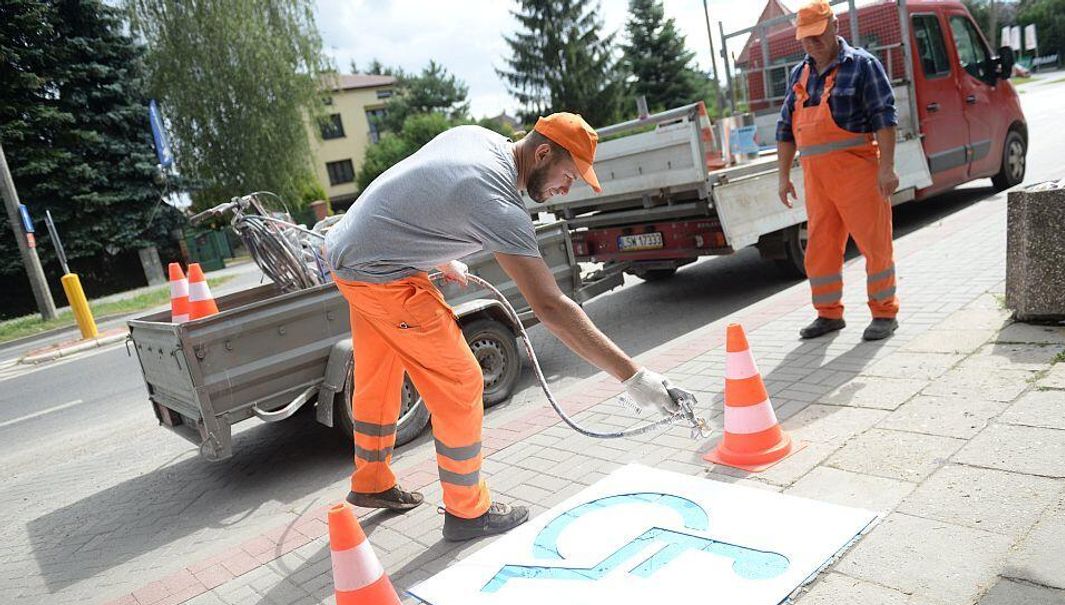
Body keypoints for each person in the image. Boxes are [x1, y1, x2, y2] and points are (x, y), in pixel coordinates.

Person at [324, 113, 691, 542]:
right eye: (567, 175)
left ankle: (372, 482)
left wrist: (439, 256)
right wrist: (635, 376)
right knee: (461, 383)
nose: (565, 189)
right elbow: (552, 308)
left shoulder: (479, 140)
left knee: (378, 372)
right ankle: (467, 512)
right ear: (541, 153)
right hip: (381, 274)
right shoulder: (497, 202)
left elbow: (420, 192)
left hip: (350, 256)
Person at [774, 0, 900, 341]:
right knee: (821, 247)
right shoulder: (799, 74)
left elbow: (884, 118)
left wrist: (886, 168)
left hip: (859, 173)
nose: (812, 43)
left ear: (835, 27)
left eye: (818, 35)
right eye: (805, 38)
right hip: (817, 178)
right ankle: (828, 314)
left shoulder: (863, 65)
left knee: (875, 244)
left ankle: (884, 312)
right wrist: (783, 176)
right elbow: (785, 129)